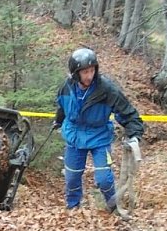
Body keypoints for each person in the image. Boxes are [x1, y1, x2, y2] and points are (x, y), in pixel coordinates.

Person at [53, 48, 144, 212]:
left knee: (104, 178)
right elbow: (62, 107)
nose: (89, 75)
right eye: (85, 72)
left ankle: (113, 207)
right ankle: (73, 208)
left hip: (99, 136)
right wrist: (58, 121)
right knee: (72, 176)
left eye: (92, 70)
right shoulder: (66, 88)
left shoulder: (106, 89)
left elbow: (128, 113)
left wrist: (134, 134)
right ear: (75, 73)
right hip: (74, 136)